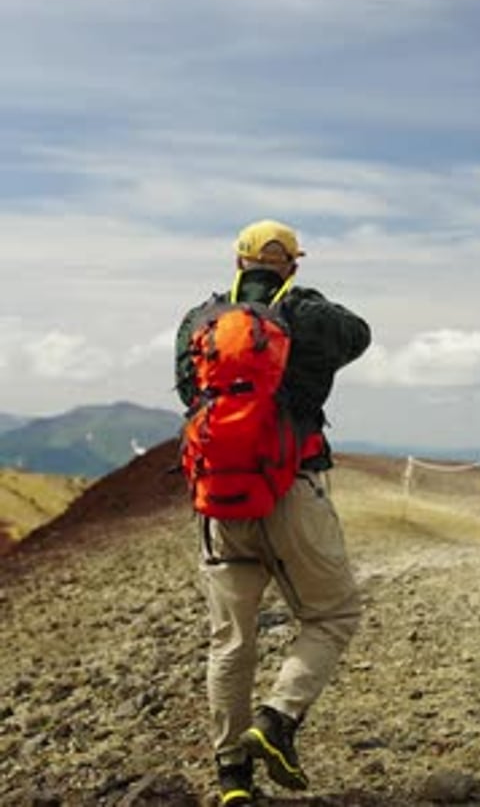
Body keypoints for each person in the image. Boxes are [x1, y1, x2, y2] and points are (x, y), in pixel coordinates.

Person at [175, 219, 371, 805]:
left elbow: (190, 393)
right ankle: (278, 719)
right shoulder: (311, 316)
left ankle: (232, 775)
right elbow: (359, 336)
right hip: (293, 487)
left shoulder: (200, 321)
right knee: (332, 613)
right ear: (293, 264)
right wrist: (304, 303)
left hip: (221, 498)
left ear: (238, 262)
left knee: (231, 642)